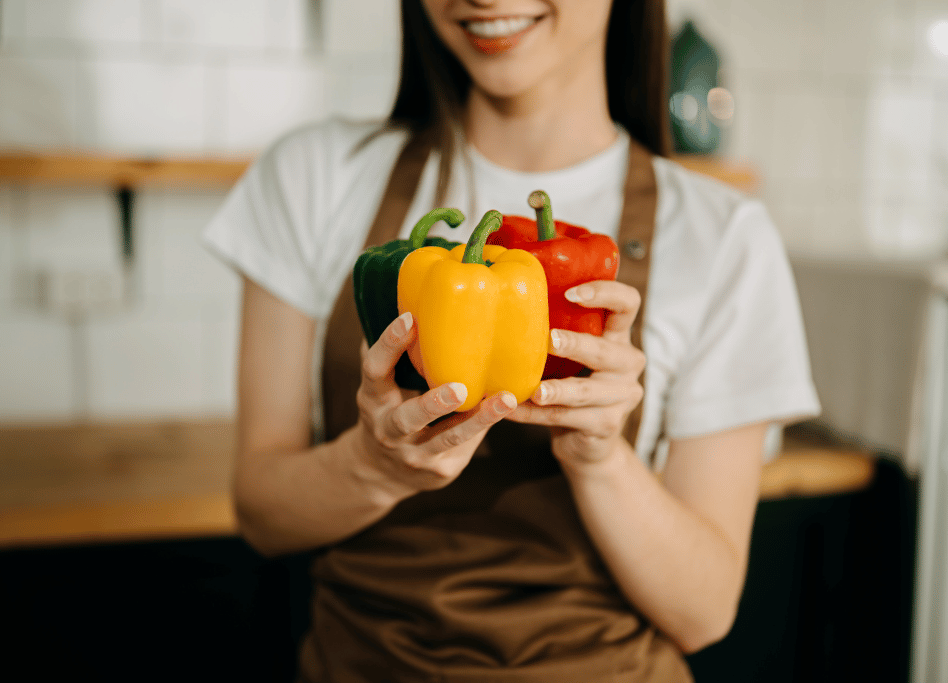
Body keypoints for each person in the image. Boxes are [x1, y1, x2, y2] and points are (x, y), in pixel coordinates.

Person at [203, 0, 821, 680]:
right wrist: (372, 467)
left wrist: (599, 458)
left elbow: (702, 611)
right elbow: (262, 512)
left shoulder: (726, 238)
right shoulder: (312, 176)